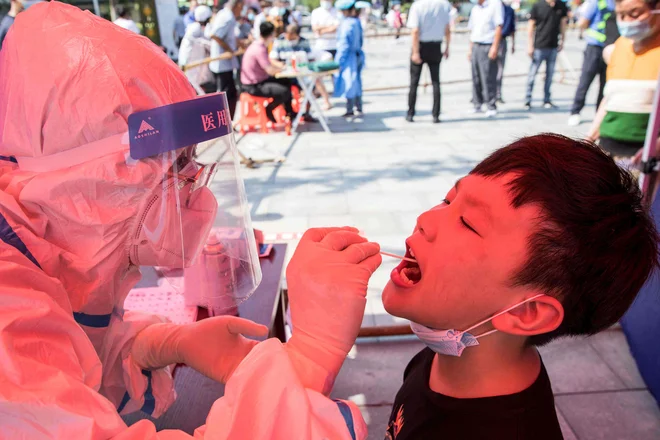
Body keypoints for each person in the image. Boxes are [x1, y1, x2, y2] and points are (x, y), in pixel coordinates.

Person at [0, 3, 372, 439]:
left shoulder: (40, 246)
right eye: (175, 165)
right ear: (93, 184)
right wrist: (310, 356)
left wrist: (161, 345)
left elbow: (67, 352)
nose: (194, 187)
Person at [375, 134, 658, 439]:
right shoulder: (446, 356)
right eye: (448, 200)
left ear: (527, 310)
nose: (425, 219)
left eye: (468, 223)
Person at [586, 0, 660, 157]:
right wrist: (589, 139)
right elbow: (610, 99)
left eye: (635, 13)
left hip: (646, 158)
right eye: (621, 15)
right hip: (609, 150)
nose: (627, 21)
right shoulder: (620, 46)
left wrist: (656, 148)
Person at [568, 0, 617, 126]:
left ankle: (598, 116)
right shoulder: (596, 2)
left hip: (611, 48)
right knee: (586, 81)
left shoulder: (616, 3)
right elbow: (583, 22)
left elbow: (582, 23)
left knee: (604, 85)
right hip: (595, 48)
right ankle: (575, 111)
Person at [405, 0, 452, 123]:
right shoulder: (444, 4)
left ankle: (410, 113)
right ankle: (436, 114)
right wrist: (447, 46)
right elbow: (447, 28)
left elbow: (415, 30)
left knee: (414, 82)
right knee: (436, 82)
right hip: (436, 46)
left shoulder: (418, 5)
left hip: (421, 46)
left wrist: (415, 52)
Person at [270, 23, 331, 115]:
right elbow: (272, 59)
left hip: (301, 73)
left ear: (296, 34)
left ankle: (307, 112)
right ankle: (289, 113)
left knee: (311, 85)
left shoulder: (304, 42)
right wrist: (280, 65)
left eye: (291, 34)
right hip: (284, 74)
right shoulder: (279, 41)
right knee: (284, 90)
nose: (288, 36)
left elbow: (311, 59)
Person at [241, 21, 296, 123]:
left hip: (258, 80)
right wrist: (282, 69)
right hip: (254, 85)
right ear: (271, 34)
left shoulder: (258, 45)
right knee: (284, 91)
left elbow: (268, 63)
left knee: (286, 81)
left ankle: (290, 112)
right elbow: (270, 70)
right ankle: (269, 108)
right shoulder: (259, 49)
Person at [524, 0, 568, 110]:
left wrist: (562, 40)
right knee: (532, 74)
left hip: (553, 46)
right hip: (539, 46)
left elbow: (563, 24)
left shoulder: (560, 6)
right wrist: (530, 45)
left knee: (549, 75)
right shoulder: (538, 5)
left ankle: (547, 99)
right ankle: (527, 100)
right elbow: (531, 25)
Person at [468, 0, 504, 118]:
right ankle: (477, 103)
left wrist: (495, 46)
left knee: (488, 76)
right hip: (476, 44)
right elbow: (472, 29)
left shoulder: (495, 4)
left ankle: (491, 105)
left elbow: (499, 27)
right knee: (476, 76)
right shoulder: (475, 9)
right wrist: (470, 49)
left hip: (488, 44)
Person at [208, 0, 243, 119]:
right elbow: (215, 35)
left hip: (225, 63)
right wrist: (229, 50)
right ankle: (225, 122)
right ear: (238, 5)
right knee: (227, 95)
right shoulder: (227, 17)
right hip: (222, 64)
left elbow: (229, 37)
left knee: (230, 94)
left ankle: (228, 122)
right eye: (241, 7)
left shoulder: (226, 15)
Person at [335, 0, 365, 117]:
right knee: (356, 81)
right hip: (357, 55)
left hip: (349, 57)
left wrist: (339, 61)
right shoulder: (356, 22)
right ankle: (359, 106)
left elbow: (344, 45)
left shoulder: (347, 24)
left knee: (349, 83)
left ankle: (350, 109)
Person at [497, 0, 516, 103]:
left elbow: (512, 28)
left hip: (501, 40)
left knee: (499, 69)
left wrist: (513, 43)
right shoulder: (493, 8)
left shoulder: (508, 10)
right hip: (489, 41)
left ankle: (497, 93)